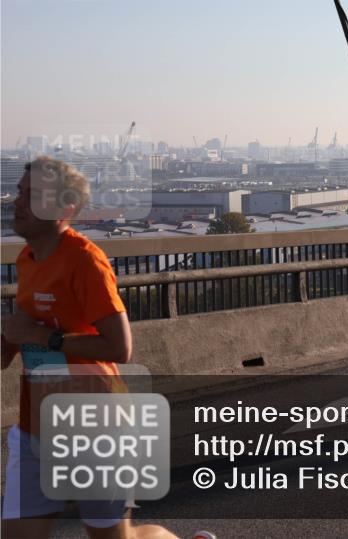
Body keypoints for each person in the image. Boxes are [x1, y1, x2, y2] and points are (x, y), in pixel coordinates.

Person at [0, 157, 204, 539]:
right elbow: (26, 335)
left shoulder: (85, 261)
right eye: (19, 192)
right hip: (34, 429)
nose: (17, 201)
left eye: (32, 195)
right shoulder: (26, 260)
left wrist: (44, 338)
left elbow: (119, 347)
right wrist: (11, 339)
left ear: (64, 209)